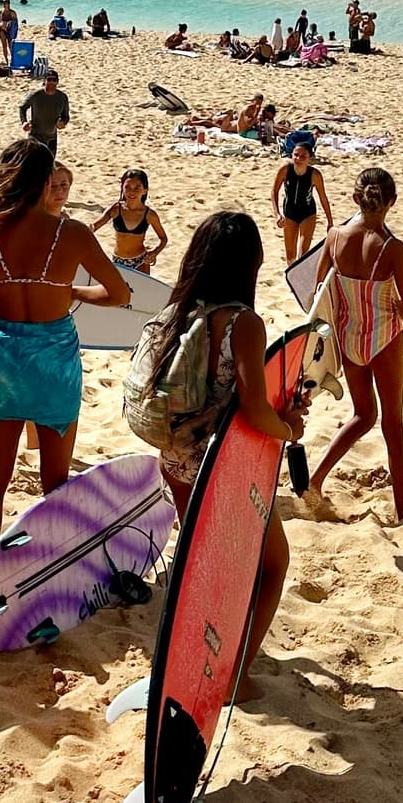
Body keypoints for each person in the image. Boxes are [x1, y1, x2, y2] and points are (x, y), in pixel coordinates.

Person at [0, 140, 132, 552]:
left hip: (7, 361)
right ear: (45, 183)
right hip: (56, 361)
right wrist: (69, 289)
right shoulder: (71, 233)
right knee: (56, 481)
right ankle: (49, 564)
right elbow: (118, 293)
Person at [137, 210, 304, 683]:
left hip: (174, 457)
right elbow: (253, 409)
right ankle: (232, 676)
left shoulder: (175, 311)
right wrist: (288, 428)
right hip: (218, 467)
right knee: (271, 565)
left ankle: (194, 649)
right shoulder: (242, 323)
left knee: (201, 559)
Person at [309, 167, 403, 525]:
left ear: (355, 197)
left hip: (348, 334)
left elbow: (317, 290)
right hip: (384, 336)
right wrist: (399, 307)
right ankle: (401, 513)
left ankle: (316, 478)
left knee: (362, 415)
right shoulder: (392, 248)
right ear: (392, 202)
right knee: (392, 425)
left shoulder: (335, 236)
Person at [271, 137, 333, 265]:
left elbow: (323, 197)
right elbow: (274, 191)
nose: (298, 159)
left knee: (303, 254)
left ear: (310, 158)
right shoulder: (285, 170)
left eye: (303, 156)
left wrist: (330, 222)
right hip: (289, 212)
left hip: (308, 213)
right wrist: (277, 214)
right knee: (290, 256)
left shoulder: (315, 175)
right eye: (296, 155)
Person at [96, 168, 168, 272]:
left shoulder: (149, 215)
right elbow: (93, 227)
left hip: (140, 261)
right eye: (127, 187)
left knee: (140, 289)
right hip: (118, 261)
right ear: (122, 188)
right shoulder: (116, 209)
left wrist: (154, 252)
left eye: (137, 188)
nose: (131, 191)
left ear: (145, 190)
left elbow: (163, 239)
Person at [20, 63, 71, 155]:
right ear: (44, 81)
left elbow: (66, 116)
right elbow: (22, 108)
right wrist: (24, 122)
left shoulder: (62, 97)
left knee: (49, 164)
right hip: (35, 136)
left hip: (52, 137)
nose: (51, 82)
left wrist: (63, 123)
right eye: (49, 80)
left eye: (54, 80)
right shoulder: (36, 95)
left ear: (57, 82)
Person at [0, 0, 19, 72]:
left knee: (10, 46)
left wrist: (8, 24)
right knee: (4, 46)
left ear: (9, 4)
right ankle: (6, 61)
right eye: (4, 3)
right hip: (2, 30)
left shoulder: (12, 13)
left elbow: (15, 23)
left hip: (10, 31)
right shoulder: (1, 12)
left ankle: (13, 60)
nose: (5, 5)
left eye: (6, 3)